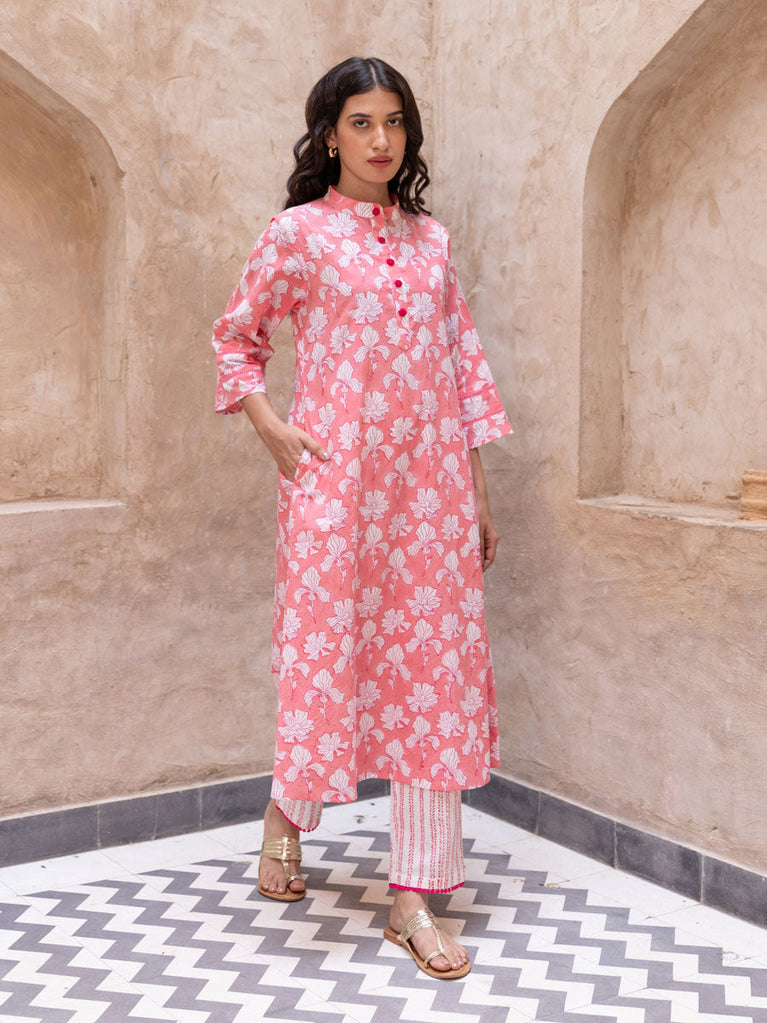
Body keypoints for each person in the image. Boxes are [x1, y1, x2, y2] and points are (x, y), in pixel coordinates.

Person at [211, 56, 511, 980]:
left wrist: (476, 491)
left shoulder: (432, 242)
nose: (381, 141)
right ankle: (286, 812)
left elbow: (460, 367)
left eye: (394, 123)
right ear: (328, 135)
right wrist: (271, 427)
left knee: (432, 681)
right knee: (326, 662)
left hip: (430, 495)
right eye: (361, 123)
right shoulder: (297, 234)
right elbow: (237, 340)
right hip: (335, 489)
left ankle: (413, 899)